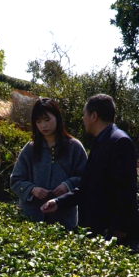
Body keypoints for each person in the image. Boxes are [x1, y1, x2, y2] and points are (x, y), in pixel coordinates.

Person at [41, 94, 139, 247]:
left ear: (94, 116)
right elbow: (87, 187)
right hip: (97, 230)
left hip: (112, 234)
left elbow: (126, 191)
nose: (83, 119)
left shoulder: (120, 142)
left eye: (84, 114)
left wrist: (118, 231)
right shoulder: (102, 140)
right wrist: (58, 202)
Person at [10, 98, 87, 229]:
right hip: (31, 219)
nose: (43, 126)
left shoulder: (74, 147)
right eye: (38, 121)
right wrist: (32, 190)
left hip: (64, 220)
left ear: (57, 118)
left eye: (47, 120)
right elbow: (16, 180)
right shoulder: (30, 148)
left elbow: (86, 178)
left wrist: (67, 185)